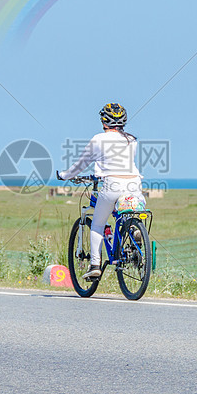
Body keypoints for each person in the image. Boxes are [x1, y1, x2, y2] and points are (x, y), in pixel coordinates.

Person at [57, 103, 144, 280]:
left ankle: (95, 265)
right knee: (127, 212)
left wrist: (65, 175)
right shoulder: (131, 140)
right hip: (135, 184)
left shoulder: (98, 139)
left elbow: (82, 163)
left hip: (112, 184)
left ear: (104, 121)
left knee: (97, 224)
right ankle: (133, 228)